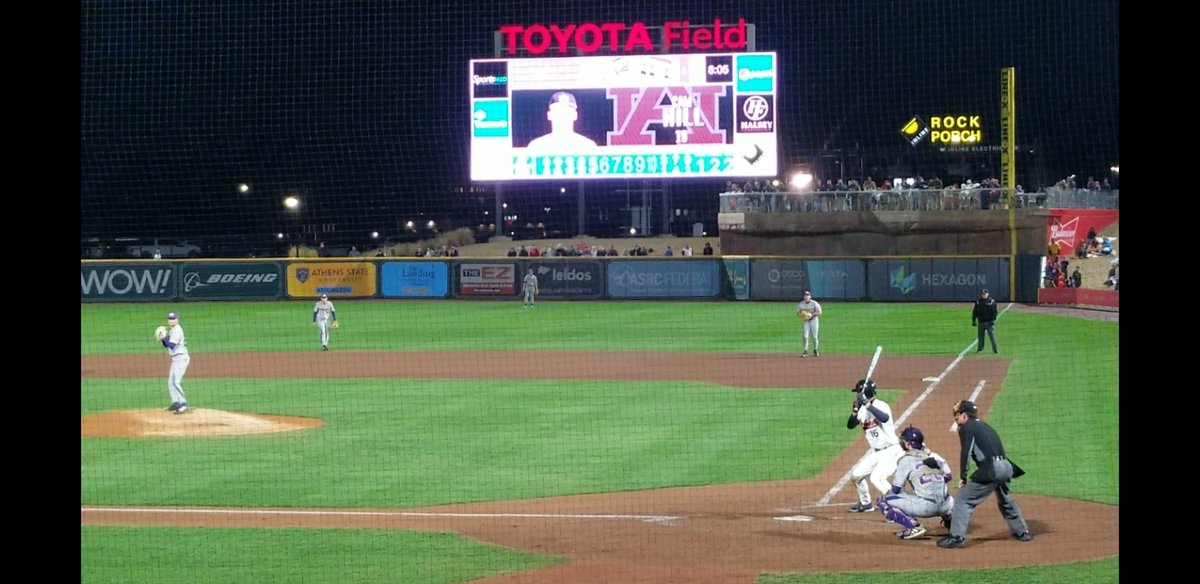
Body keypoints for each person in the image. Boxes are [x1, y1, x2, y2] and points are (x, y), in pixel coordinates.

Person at [938, 400, 1031, 548]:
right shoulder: (986, 426)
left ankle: (956, 537)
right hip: (1007, 466)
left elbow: (966, 452)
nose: (956, 421)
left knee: (963, 499)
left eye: (956, 417)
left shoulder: (966, 427)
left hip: (993, 468)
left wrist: (963, 476)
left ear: (964, 415)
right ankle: (1022, 531)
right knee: (1005, 499)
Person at [875, 426, 954, 540]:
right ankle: (951, 521)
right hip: (948, 505)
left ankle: (914, 526)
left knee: (883, 501)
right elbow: (948, 476)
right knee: (943, 495)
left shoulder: (905, 460)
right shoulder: (933, 456)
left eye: (904, 441)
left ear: (909, 444)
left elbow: (896, 489)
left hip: (927, 507)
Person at [845, 378, 903, 513]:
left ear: (864, 393)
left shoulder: (881, 405)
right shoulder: (862, 410)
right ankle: (866, 503)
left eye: (858, 393)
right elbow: (850, 425)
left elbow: (884, 418)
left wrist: (867, 404)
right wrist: (855, 410)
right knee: (856, 476)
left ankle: (899, 507)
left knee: (877, 478)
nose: (856, 395)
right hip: (876, 452)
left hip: (891, 450)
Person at [526, 92, 598, 152]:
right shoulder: (536, 147)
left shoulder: (587, 146)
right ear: (549, 115)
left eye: (567, 111)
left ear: (575, 115)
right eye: (558, 111)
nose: (562, 115)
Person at [160, 311, 190, 414]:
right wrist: (162, 339)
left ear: (177, 319)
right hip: (176, 359)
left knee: (176, 382)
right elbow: (167, 345)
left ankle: (183, 404)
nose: (171, 320)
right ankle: (176, 402)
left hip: (181, 358)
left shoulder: (177, 330)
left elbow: (172, 345)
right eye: (170, 319)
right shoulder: (172, 330)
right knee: (170, 381)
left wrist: (164, 337)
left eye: (173, 318)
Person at [794, 291, 822, 357]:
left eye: (808, 295)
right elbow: (797, 312)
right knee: (805, 336)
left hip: (814, 320)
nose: (806, 296)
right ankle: (805, 351)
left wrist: (811, 315)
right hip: (806, 321)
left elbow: (820, 312)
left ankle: (815, 350)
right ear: (804, 297)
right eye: (805, 295)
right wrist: (802, 315)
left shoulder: (814, 303)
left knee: (814, 337)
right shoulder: (801, 304)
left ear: (810, 296)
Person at [972, 289, 998, 353]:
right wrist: (973, 319)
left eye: (985, 294)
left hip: (989, 322)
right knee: (980, 337)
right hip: (981, 322)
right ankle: (980, 349)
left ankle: (995, 349)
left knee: (992, 336)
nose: (984, 295)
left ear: (988, 294)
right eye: (982, 294)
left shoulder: (992, 301)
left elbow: (995, 312)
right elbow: (975, 311)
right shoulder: (978, 302)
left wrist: (993, 320)